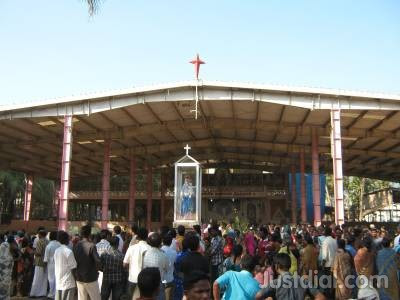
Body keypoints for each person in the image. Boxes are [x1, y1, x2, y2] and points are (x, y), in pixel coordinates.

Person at [256, 253, 325, 300]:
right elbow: (321, 297)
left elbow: (258, 296)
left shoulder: (274, 283)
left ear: (276, 266)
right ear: (289, 266)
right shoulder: (303, 281)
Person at [73, 224, 101, 300]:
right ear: (89, 234)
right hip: (90, 277)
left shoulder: (76, 246)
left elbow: (74, 261)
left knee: (82, 298)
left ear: (81, 234)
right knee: (96, 298)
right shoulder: (91, 245)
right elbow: (97, 260)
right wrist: (97, 271)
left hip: (79, 277)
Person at [124, 227, 151, 299]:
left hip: (132, 277)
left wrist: (130, 268)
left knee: (130, 297)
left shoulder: (131, 248)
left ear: (137, 237)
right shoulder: (150, 248)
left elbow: (125, 264)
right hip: (145, 279)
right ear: (147, 236)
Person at [143, 232, 169, 300]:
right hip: (159, 282)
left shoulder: (145, 253)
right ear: (160, 243)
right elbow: (167, 269)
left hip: (146, 281)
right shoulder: (163, 255)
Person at [54, 230, 78, 300]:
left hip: (59, 280)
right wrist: (76, 280)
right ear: (67, 240)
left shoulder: (57, 251)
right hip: (68, 282)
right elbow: (73, 268)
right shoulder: (69, 252)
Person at [100, 236, 125, 300]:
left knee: (104, 297)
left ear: (109, 243)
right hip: (118, 279)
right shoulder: (122, 255)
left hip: (106, 278)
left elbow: (100, 266)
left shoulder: (104, 254)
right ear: (118, 244)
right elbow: (124, 268)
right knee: (116, 297)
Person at [30, 229, 49, 298]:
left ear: (40, 234)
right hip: (46, 262)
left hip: (39, 262)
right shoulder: (47, 241)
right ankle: (42, 293)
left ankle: (34, 293)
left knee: (37, 278)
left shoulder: (39, 241)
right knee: (44, 279)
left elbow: (38, 253)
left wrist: (32, 252)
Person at [44, 230, 61, 299]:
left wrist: (45, 267)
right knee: (57, 278)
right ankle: (56, 294)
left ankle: (51, 293)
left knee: (51, 279)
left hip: (50, 264)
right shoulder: (59, 245)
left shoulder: (48, 246)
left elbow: (46, 258)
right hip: (59, 263)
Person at [161, 234, 177, 300]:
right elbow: (175, 263)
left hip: (161, 280)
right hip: (170, 278)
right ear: (171, 242)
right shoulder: (174, 252)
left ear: (162, 241)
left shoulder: (159, 251)